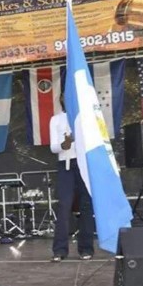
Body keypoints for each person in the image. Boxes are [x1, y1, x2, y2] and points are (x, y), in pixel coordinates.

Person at [49, 94, 94, 262]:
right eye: (64, 96)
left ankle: (86, 248)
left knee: (86, 206)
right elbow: (53, 147)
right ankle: (60, 250)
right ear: (61, 99)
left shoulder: (85, 118)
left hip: (84, 164)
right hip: (65, 165)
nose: (67, 99)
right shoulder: (56, 120)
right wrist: (64, 145)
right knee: (63, 206)